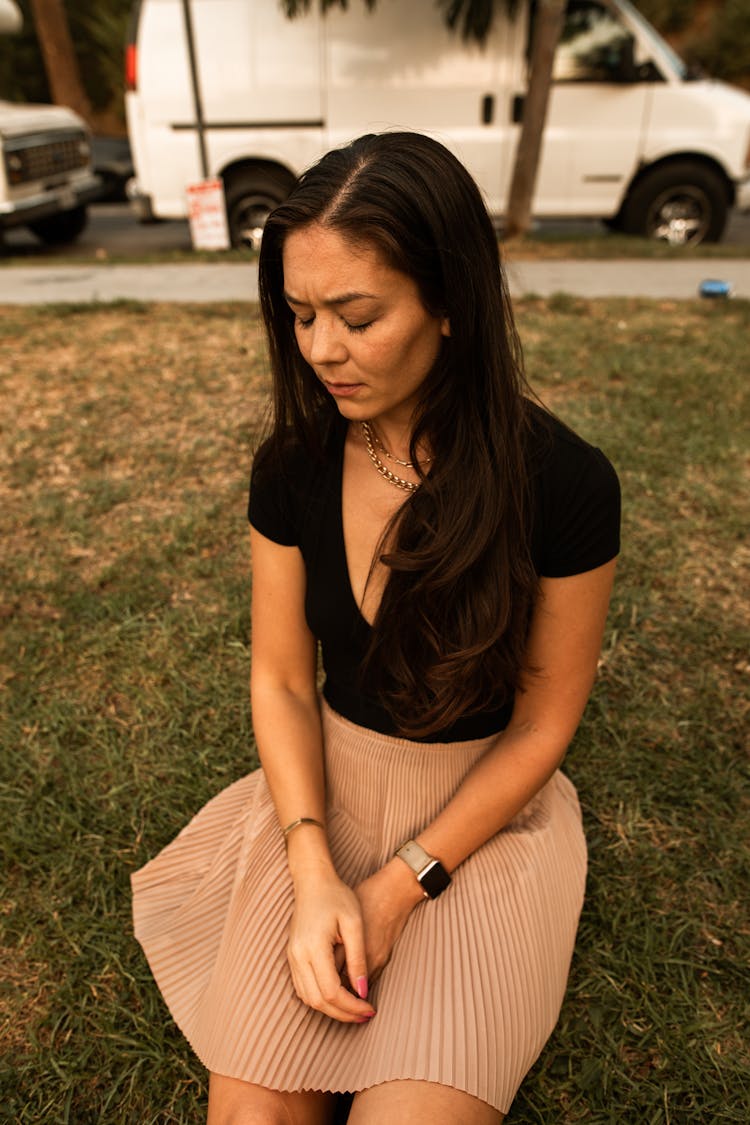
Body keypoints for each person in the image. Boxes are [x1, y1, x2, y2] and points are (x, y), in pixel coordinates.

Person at [132, 132, 620, 1124]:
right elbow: (279, 679)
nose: (319, 350)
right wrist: (311, 864)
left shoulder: (563, 483)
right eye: (301, 314)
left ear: (450, 303)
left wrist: (401, 888)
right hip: (325, 798)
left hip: (484, 827)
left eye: (357, 317)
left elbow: (541, 723)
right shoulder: (293, 465)